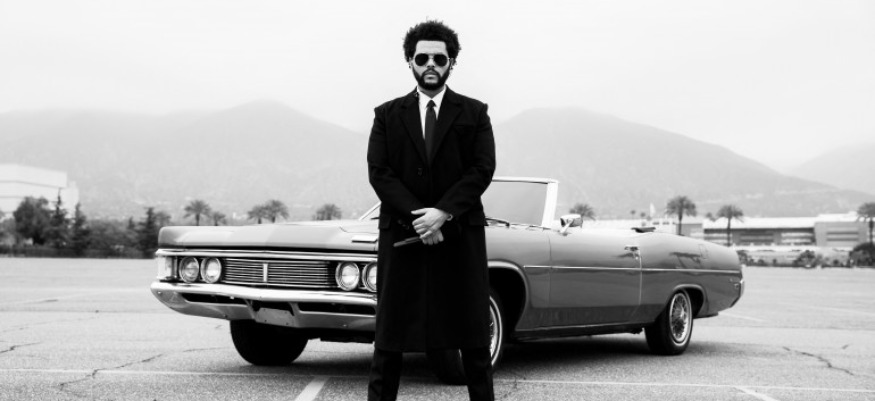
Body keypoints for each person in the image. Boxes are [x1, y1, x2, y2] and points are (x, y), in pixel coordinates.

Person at [366, 20, 496, 401]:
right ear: (410, 60)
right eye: (422, 58)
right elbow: (380, 172)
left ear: (451, 62)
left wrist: (442, 213)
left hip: (459, 239)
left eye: (439, 58)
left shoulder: (475, 113)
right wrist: (420, 218)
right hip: (402, 238)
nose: (430, 65)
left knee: (474, 341)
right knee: (389, 342)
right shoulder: (386, 115)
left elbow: (481, 169)